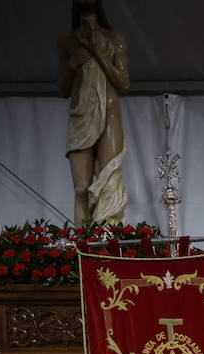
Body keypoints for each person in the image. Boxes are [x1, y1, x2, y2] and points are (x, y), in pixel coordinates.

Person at [57, 0, 129, 224]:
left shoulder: (114, 39)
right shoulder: (67, 40)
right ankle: (82, 249)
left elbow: (123, 82)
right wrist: (73, 64)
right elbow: (62, 89)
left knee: (110, 180)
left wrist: (95, 49)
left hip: (109, 112)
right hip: (81, 115)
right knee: (81, 189)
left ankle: (110, 243)